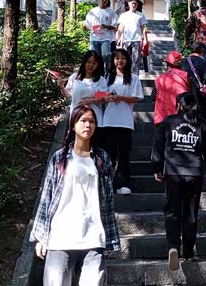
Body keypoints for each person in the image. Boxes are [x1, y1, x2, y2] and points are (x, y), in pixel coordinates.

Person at [30, 105, 120, 286]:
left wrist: (110, 238)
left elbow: (108, 201)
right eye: (83, 120)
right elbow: (47, 197)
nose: (88, 125)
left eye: (92, 121)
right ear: (73, 124)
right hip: (61, 237)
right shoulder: (60, 157)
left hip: (93, 237)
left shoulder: (102, 158)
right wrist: (41, 237)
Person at [152, 92, 206, 271]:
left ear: (179, 105)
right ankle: (188, 251)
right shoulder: (201, 123)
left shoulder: (168, 121)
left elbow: (158, 146)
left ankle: (173, 245)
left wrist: (156, 167)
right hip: (194, 174)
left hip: (173, 173)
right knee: (190, 213)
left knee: (172, 211)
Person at [97, 48, 143, 195]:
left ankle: (124, 183)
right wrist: (107, 97)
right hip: (108, 121)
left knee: (124, 154)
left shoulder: (133, 78)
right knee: (108, 153)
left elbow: (136, 98)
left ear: (127, 60)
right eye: (117, 58)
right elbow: (98, 95)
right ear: (113, 60)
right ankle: (108, 183)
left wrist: (120, 98)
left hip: (125, 122)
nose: (120, 61)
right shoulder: (107, 77)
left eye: (123, 58)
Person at [57, 50, 109, 127]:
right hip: (77, 116)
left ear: (98, 65)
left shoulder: (101, 80)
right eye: (88, 62)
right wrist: (62, 87)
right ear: (84, 62)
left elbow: (105, 96)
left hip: (95, 118)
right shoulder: (74, 77)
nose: (91, 65)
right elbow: (68, 96)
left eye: (94, 63)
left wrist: (92, 100)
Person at [152, 51, 190, 127]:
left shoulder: (159, 78)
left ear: (167, 64)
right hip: (180, 119)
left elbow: (153, 96)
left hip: (162, 118)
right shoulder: (186, 76)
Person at [84, 0, 118, 73]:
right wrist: (87, 27)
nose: (104, 0)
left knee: (105, 55)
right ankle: (98, 74)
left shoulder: (111, 12)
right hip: (94, 38)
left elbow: (115, 26)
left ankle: (107, 73)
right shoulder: (92, 11)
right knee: (95, 57)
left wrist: (106, 26)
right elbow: (86, 25)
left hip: (106, 38)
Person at [181, 43, 206, 125]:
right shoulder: (204, 62)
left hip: (185, 92)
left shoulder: (183, 61)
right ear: (202, 51)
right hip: (199, 93)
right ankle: (204, 132)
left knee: (187, 115)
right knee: (202, 116)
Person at [116, 0, 147, 77]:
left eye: (135, 4)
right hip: (126, 40)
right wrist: (118, 38)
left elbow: (143, 28)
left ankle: (135, 78)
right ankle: (125, 76)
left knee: (136, 60)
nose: (134, 5)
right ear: (129, 4)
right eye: (132, 3)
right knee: (125, 59)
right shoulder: (124, 15)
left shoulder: (141, 15)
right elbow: (121, 27)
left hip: (137, 40)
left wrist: (145, 39)